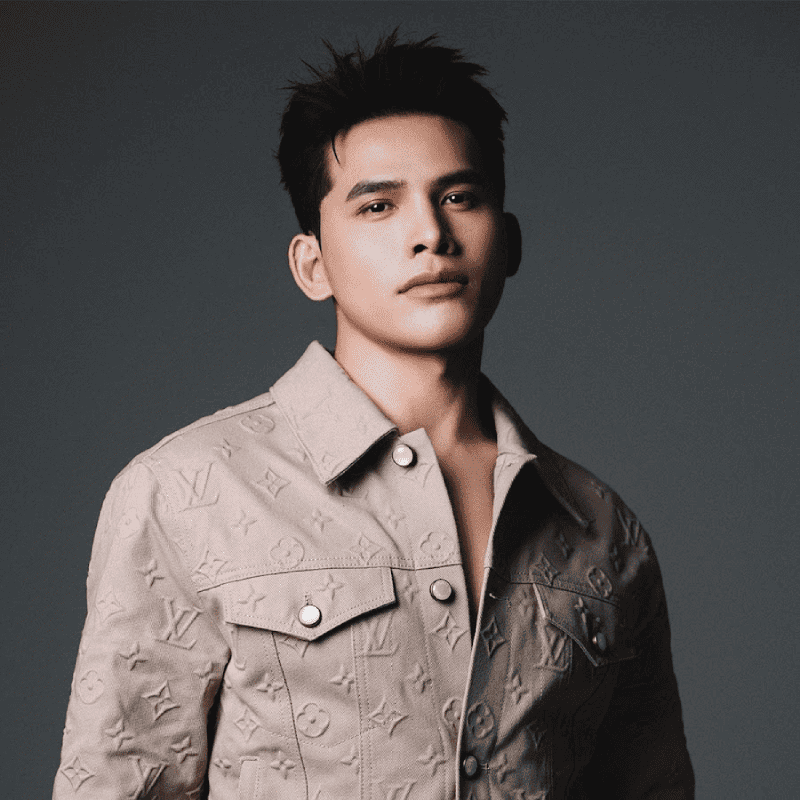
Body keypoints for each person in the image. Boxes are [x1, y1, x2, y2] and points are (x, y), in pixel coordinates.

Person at [53, 30, 694, 800]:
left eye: (459, 197)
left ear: (510, 242)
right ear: (312, 264)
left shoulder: (604, 532)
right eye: (379, 205)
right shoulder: (184, 495)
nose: (430, 235)